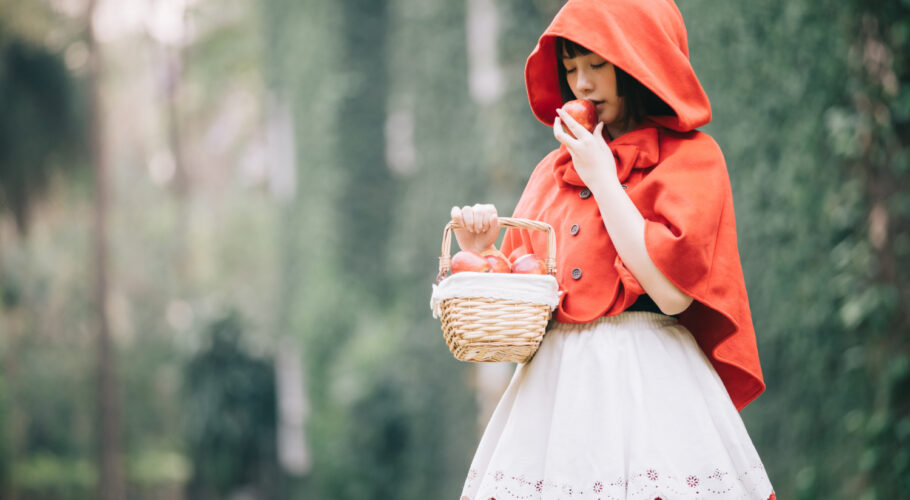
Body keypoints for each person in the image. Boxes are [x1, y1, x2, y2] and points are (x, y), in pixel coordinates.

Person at [449, 0, 776, 499]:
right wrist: (484, 256)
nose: (581, 84)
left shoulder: (691, 160)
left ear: (638, 60)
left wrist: (603, 178)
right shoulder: (549, 174)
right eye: (571, 67)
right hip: (552, 409)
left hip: (651, 394)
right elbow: (524, 318)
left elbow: (670, 296)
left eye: (596, 64)